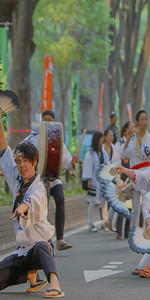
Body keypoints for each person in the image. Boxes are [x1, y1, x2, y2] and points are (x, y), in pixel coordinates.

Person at [0, 123, 64, 298]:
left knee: (43, 245)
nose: (21, 166)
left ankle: (54, 282)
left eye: (25, 161)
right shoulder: (17, 179)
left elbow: (31, 201)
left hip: (38, 250)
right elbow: (4, 149)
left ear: (35, 162)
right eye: (18, 162)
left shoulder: (39, 189)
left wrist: (23, 206)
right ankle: (31, 277)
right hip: (21, 253)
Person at [24, 110, 78, 251]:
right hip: (40, 179)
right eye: (45, 119)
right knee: (43, 209)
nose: (48, 122)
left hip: (54, 177)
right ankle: (46, 240)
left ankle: (59, 239)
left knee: (60, 199)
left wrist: (73, 162)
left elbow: (66, 160)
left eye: (50, 120)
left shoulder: (58, 141)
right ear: (42, 123)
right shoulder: (33, 138)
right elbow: (21, 149)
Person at [121, 110, 150, 227]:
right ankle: (134, 234)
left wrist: (139, 139)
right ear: (137, 122)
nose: (144, 122)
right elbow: (124, 156)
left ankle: (148, 233)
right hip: (135, 174)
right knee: (135, 209)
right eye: (142, 119)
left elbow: (145, 154)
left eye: (146, 119)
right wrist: (129, 139)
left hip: (146, 175)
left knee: (147, 206)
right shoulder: (132, 139)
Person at [82, 131, 109, 232]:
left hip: (102, 181)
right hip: (93, 181)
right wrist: (88, 179)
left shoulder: (103, 152)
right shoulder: (90, 153)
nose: (103, 140)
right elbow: (88, 167)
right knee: (92, 202)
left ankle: (104, 222)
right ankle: (90, 223)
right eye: (101, 138)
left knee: (104, 201)